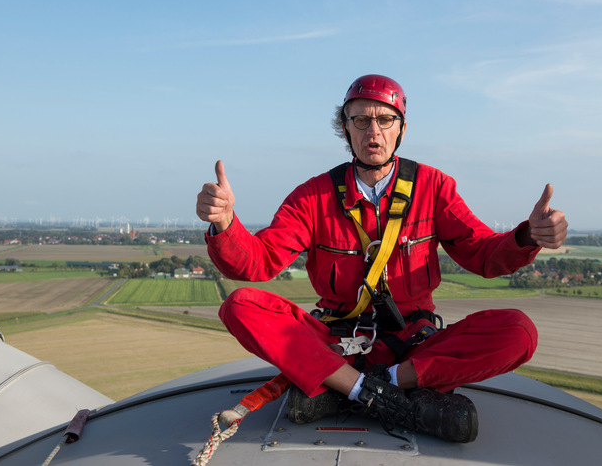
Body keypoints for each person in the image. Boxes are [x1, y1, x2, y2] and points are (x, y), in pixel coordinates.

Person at [196, 74, 568, 443]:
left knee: (519, 331)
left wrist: (527, 236)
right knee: (240, 306)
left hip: (415, 344)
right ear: (345, 129)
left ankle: (355, 389)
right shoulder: (313, 196)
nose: (373, 131)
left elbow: (484, 256)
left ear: (401, 129)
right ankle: (389, 397)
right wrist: (225, 223)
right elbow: (257, 262)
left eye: (385, 120)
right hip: (334, 341)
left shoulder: (434, 188)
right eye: (360, 120)